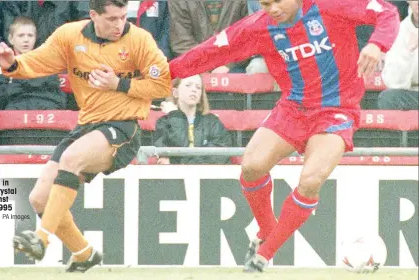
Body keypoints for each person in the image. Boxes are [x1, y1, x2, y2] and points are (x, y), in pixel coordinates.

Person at [169, 0, 399, 272]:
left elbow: (388, 11)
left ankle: (265, 253)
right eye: (265, 3)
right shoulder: (259, 26)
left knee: (311, 179)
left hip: (337, 108)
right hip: (293, 107)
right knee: (252, 166)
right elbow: (208, 52)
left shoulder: (330, 6)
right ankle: (267, 229)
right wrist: (161, 74)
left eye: (278, 2)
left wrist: (376, 44)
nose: (272, 9)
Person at [0, 0, 171, 273]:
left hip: (123, 126)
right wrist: (13, 64)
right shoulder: (70, 35)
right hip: (87, 125)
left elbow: (162, 84)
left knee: (71, 158)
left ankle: (40, 239)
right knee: (40, 198)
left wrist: (120, 84)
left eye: (123, 17)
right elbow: (40, 61)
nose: (119, 24)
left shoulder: (140, 40)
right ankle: (84, 253)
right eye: (111, 18)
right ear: (93, 16)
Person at [154, 75, 232, 165]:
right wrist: (175, 115)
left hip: (206, 176)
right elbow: (181, 146)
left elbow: (218, 155)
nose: (194, 89)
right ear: (175, 93)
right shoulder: (163, 123)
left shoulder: (212, 122)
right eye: (188, 85)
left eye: (198, 87)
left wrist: (178, 163)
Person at [0, 16, 66, 110]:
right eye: (21, 35)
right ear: (11, 39)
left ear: (35, 38)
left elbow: (57, 97)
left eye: (30, 35)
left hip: (46, 115)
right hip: (15, 117)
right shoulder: (1, 69)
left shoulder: (46, 65)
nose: (26, 40)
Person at [378, 0, 418, 110]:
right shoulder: (400, 30)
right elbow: (394, 83)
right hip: (414, 94)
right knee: (389, 98)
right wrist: (408, 53)